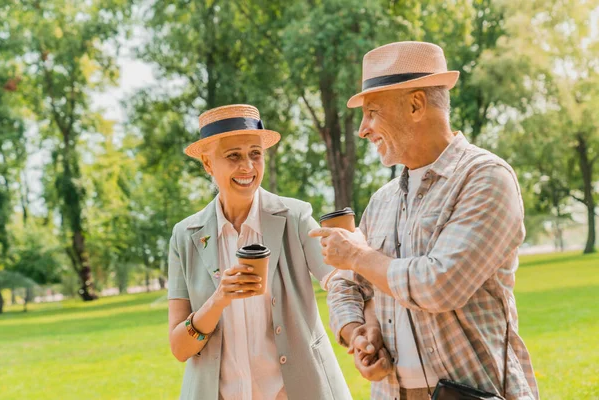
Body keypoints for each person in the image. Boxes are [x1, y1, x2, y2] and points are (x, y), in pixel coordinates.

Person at [313, 42, 539, 399]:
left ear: (416, 104)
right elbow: (346, 284)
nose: (362, 129)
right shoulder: (383, 200)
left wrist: (358, 256)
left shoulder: (485, 178)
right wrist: (358, 332)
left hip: (474, 393)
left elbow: (440, 284)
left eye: (372, 112)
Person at [167, 104, 367, 400]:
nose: (247, 166)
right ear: (208, 164)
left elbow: (339, 278)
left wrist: (356, 329)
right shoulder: (185, 236)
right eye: (233, 156)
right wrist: (219, 299)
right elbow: (180, 348)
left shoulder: (294, 217)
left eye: (255, 154)